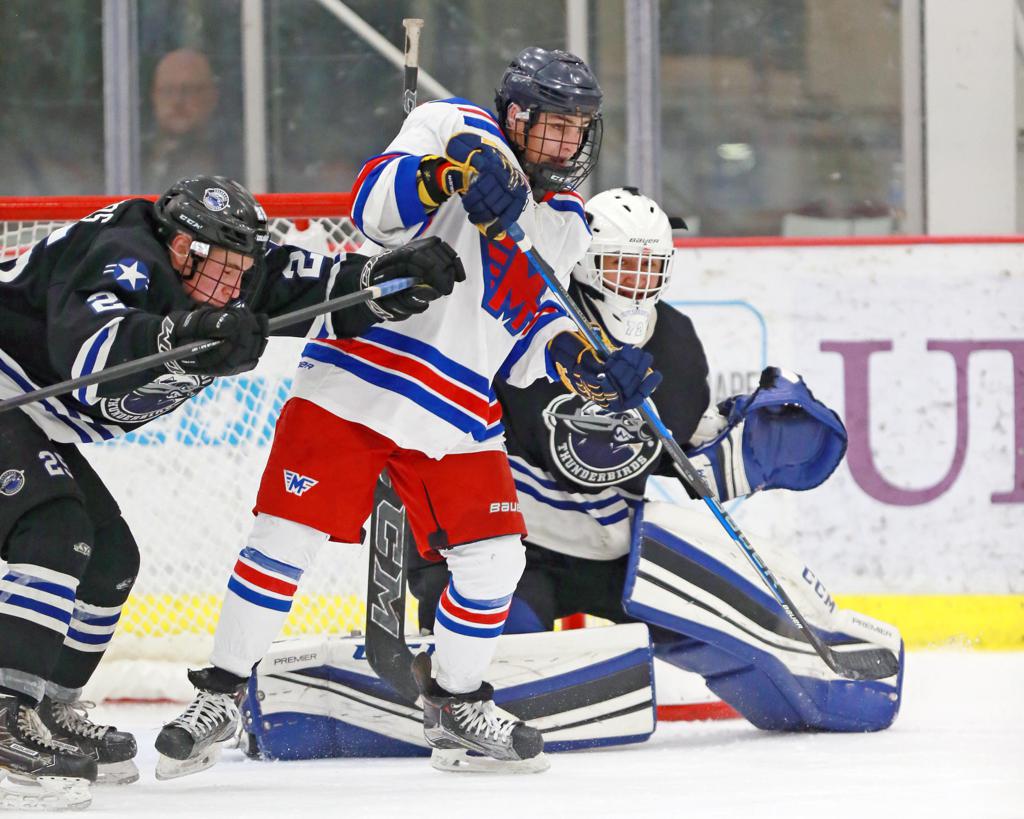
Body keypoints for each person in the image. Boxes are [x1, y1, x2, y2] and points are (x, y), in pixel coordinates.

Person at [158, 47, 659, 776]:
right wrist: (446, 175)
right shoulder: (448, 123)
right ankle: (221, 694)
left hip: (456, 410)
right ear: (514, 116)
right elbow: (374, 208)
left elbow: (528, 334)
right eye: (552, 127)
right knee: (283, 539)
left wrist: (591, 370)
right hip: (359, 376)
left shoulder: (566, 225)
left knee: (496, 560)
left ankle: (457, 704)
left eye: (578, 130)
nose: (567, 145)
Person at [0, 175, 463, 809]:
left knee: (110, 563)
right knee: (55, 533)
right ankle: (6, 717)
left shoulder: (230, 269)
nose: (230, 283)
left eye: (240, 269)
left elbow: (319, 284)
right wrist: (181, 336)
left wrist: (390, 276)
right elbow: (91, 357)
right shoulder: (123, 255)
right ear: (177, 246)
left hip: (28, 415)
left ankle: (49, 708)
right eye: (216, 266)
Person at [408, 186, 905, 735]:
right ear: (585, 263)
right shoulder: (523, 321)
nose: (636, 283)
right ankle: (447, 688)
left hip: (608, 547)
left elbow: (672, 453)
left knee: (725, 627)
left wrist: (738, 448)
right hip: (502, 544)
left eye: (651, 268)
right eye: (622, 265)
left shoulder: (675, 341)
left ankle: (813, 679)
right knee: (512, 674)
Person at [142, 50, 242, 192]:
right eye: (168, 90)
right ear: (154, 96)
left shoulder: (239, 161)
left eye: (188, 90)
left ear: (212, 96)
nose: (177, 101)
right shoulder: (131, 161)